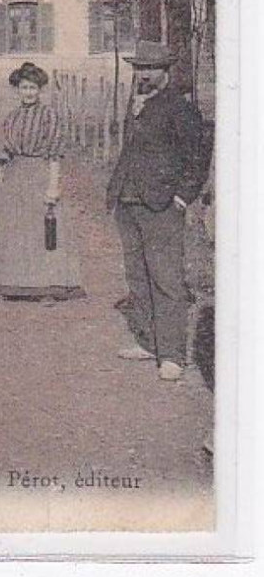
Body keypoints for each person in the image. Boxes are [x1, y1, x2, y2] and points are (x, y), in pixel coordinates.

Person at [105, 41, 211, 381]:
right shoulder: (136, 103)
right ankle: (150, 343)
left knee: (166, 278)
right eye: (139, 69)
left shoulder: (179, 108)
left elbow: (198, 155)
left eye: (150, 70)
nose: (143, 75)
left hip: (162, 205)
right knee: (138, 276)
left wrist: (183, 196)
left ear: (165, 72)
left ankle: (172, 354)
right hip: (130, 202)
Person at [0, 61, 81, 301]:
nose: (28, 93)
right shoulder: (11, 118)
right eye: (24, 88)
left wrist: (53, 186)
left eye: (32, 88)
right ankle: (18, 285)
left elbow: (54, 154)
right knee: (18, 231)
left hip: (40, 174)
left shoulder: (49, 116)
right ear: (17, 90)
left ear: (40, 90)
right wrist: (0, 175)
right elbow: (6, 151)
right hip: (15, 176)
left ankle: (48, 287)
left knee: (43, 233)